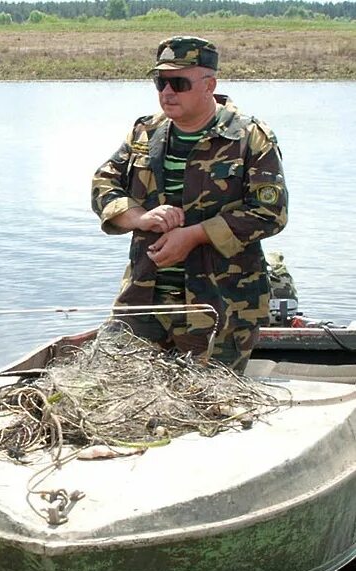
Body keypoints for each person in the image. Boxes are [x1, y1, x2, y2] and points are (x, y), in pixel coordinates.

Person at [91, 36, 287, 373]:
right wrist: (139, 217)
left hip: (221, 309)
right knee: (104, 386)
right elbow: (103, 185)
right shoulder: (145, 132)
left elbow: (270, 213)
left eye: (179, 83)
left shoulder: (249, 138)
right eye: (160, 82)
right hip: (144, 300)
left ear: (209, 84)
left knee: (210, 407)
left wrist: (195, 235)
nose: (167, 92)